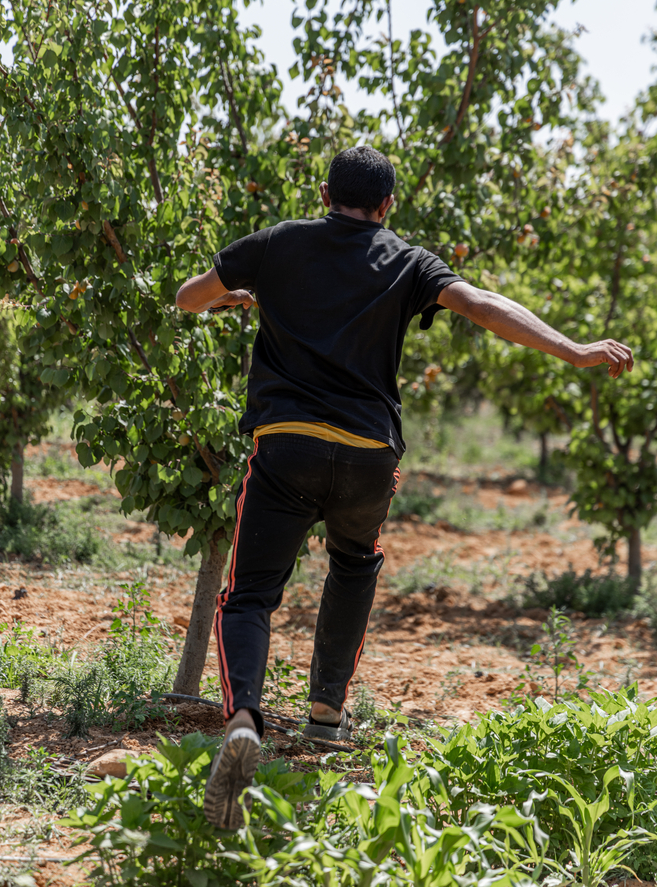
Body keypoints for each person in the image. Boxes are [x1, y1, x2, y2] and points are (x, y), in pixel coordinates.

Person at [176, 146, 633, 828]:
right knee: (353, 563)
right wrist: (573, 349)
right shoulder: (407, 259)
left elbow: (188, 298)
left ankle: (244, 716)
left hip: (287, 446)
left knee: (248, 596)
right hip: (366, 454)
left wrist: (240, 290)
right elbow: (479, 303)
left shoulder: (275, 244)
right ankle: (326, 711)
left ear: (323, 191)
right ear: (386, 205)